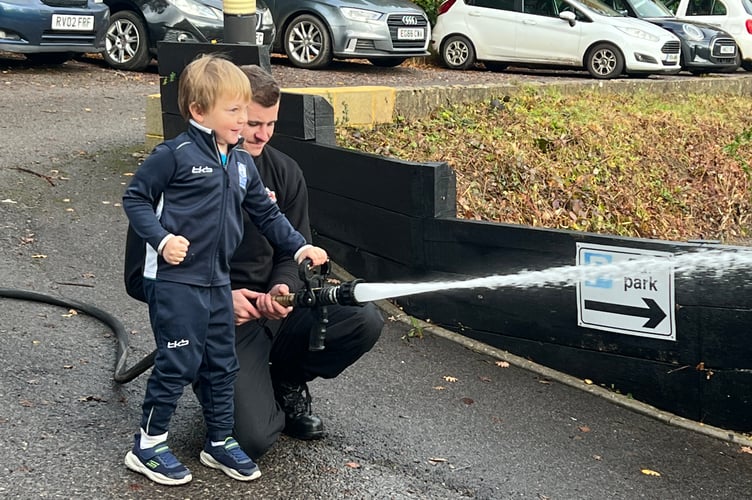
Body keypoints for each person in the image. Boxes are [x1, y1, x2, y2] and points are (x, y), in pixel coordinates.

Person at [121, 54, 328, 486]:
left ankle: (219, 441)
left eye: (244, 111)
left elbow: (269, 217)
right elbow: (135, 200)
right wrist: (162, 239)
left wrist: (301, 246)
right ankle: (148, 445)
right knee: (177, 361)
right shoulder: (173, 156)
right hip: (177, 282)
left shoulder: (240, 163)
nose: (243, 121)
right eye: (234, 111)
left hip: (217, 281)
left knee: (220, 363)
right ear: (200, 111)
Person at [230, 64, 385, 459]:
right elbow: (141, 278)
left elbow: (294, 249)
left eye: (271, 123)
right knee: (253, 440)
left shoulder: (284, 172)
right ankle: (232, 387)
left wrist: (284, 288)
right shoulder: (178, 173)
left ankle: (285, 378)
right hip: (220, 319)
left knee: (363, 320)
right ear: (223, 110)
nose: (263, 135)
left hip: (277, 308)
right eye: (252, 123)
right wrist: (218, 299)